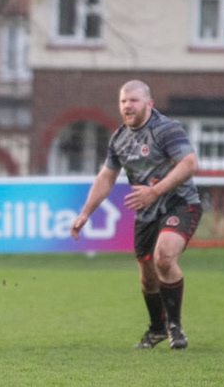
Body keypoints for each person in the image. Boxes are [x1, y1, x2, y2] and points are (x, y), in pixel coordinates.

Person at [70, 80, 201, 350]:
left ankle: (175, 327)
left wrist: (155, 190)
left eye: (133, 100)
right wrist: (85, 213)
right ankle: (157, 328)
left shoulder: (166, 129)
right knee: (147, 277)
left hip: (179, 203)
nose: (127, 106)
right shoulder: (119, 138)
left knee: (164, 257)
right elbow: (106, 177)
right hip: (146, 212)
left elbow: (189, 163)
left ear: (149, 103)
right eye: (123, 101)